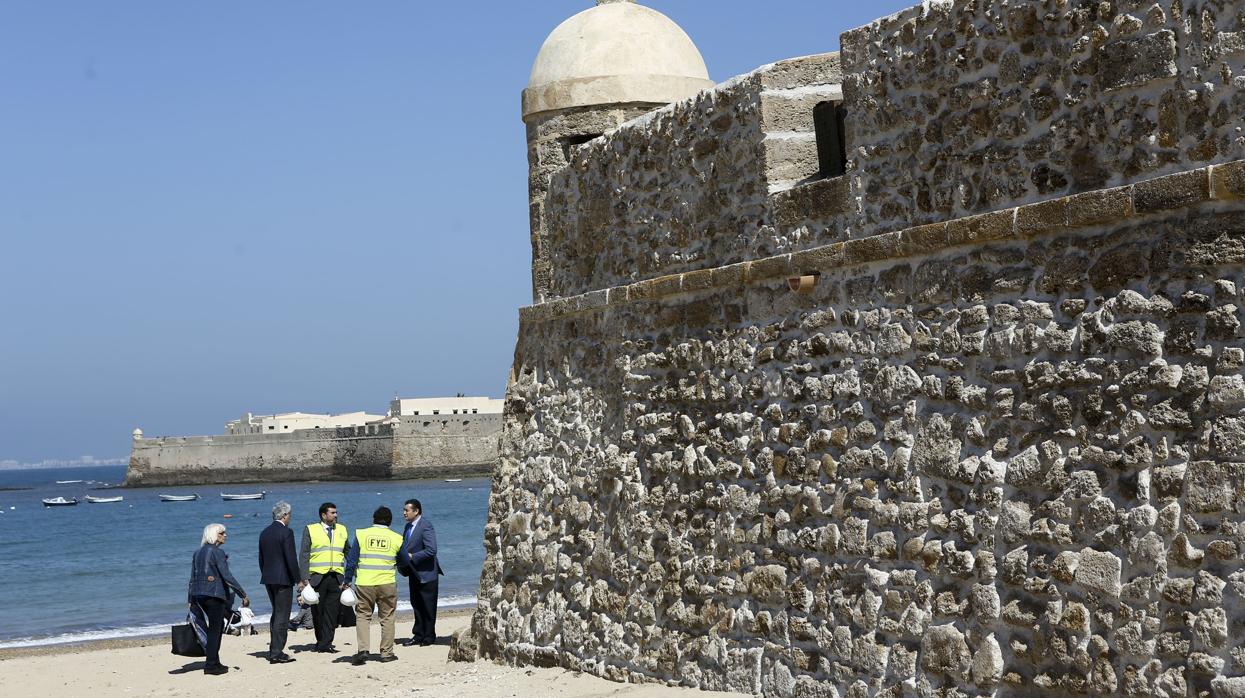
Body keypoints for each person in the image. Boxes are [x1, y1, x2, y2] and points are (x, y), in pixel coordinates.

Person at [343, 506, 404, 665]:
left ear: (373, 519)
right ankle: (387, 653)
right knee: (387, 617)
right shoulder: (396, 537)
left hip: (365, 583)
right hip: (387, 582)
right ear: (390, 521)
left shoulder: (362, 534)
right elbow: (404, 560)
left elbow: (351, 559)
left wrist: (347, 579)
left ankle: (363, 650)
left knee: (363, 616)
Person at [188, 523, 248, 675]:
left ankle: (214, 660)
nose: (225, 535)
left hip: (198, 595)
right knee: (215, 628)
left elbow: (192, 577)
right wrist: (243, 594)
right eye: (222, 533)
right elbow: (227, 577)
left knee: (216, 626)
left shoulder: (197, 553)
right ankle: (211, 665)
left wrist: (190, 598)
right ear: (214, 534)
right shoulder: (217, 552)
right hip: (214, 594)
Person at [299, 501, 348, 653]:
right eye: (332, 512)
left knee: (332, 612)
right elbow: (304, 554)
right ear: (323, 515)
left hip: (336, 577)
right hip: (317, 577)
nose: (335, 515)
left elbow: (348, 551)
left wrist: (350, 575)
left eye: (336, 512)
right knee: (318, 612)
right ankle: (320, 641)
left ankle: (326, 643)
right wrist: (304, 578)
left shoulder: (342, 529)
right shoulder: (311, 529)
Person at [398, 498, 444, 646]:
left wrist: (413, 557)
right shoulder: (407, 527)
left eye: (407, 510)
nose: (404, 512)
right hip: (413, 573)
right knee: (416, 604)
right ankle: (418, 635)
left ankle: (429, 636)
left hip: (427, 573)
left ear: (416, 511)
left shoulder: (425, 526)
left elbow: (432, 550)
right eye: (404, 510)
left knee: (428, 606)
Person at [259, 500, 299, 663]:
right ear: (284, 515)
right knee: (282, 616)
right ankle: (276, 652)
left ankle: (274, 649)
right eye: (289, 515)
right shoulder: (286, 532)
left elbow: (261, 559)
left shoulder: (264, 532)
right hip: (283, 579)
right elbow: (291, 558)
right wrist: (298, 579)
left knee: (276, 613)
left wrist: (266, 573)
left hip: (269, 577)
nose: (290, 518)